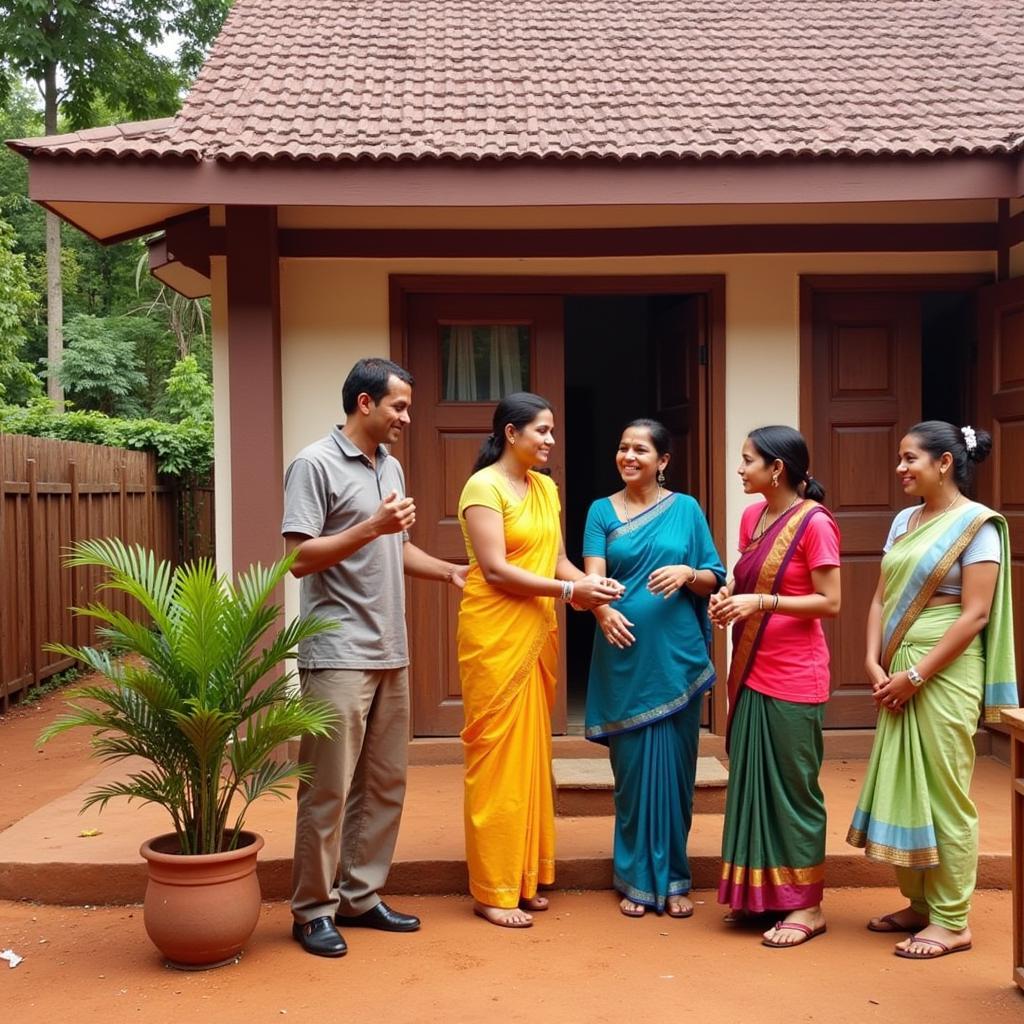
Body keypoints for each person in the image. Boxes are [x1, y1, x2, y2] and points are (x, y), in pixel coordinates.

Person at [283, 357, 468, 958]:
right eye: (399, 407)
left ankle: (360, 896)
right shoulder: (313, 463)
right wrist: (372, 525)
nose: (407, 418)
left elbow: (399, 544)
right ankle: (313, 910)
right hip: (337, 651)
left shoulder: (388, 465)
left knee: (385, 783)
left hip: (391, 647)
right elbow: (300, 558)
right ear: (365, 403)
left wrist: (448, 572)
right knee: (329, 788)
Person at [847, 421, 1017, 960]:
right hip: (896, 666)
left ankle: (952, 919)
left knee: (944, 792)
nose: (900, 468)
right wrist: (872, 659)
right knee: (907, 783)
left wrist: (917, 676)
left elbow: (975, 615)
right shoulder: (904, 520)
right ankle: (919, 904)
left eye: (909, 458)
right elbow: (879, 597)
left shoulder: (978, 527)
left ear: (944, 462)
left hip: (945, 673)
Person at [457, 392, 623, 928]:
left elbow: (554, 559)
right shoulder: (482, 488)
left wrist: (588, 585)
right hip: (495, 635)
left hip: (535, 630)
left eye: (552, 431)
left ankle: (522, 876)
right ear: (511, 433)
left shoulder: (545, 487)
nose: (551, 440)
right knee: (496, 761)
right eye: (542, 431)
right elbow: (497, 570)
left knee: (530, 758)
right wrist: (567, 593)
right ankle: (491, 888)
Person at [582, 419, 725, 918]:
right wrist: (602, 610)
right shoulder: (601, 512)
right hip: (623, 655)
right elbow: (592, 579)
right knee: (633, 773)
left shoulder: (686, 509)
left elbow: (713, 578)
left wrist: (689, 572)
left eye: (640, 449)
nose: (628, 456)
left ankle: (675, 879)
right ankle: (636, 879)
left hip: (676, 660)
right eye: (622, 448)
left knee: (677, 776)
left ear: (663, 461)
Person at [709, 425, 841, 948]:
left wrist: (761, 604)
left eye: (747, 461)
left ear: (777, 468)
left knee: (791, 790)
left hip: (795, 673)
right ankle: (760, 897)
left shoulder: (815, 524)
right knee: (751, 785)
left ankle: (807, 906)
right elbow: (744, 578)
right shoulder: (751, 515)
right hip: (751, 664)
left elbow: (830, 602)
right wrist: (727, 596)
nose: (740, 469)